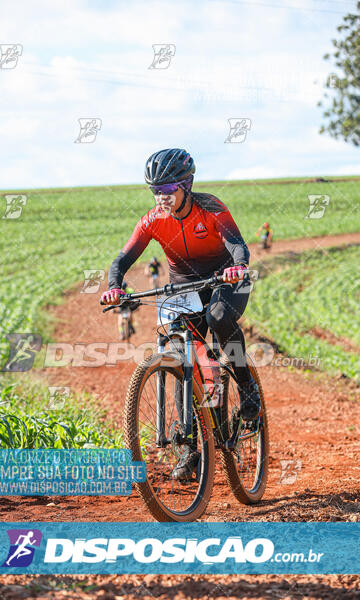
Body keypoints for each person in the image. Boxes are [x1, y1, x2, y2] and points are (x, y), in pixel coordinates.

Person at [100, 148, 260, 480]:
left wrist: (238, 267)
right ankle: (190, 448)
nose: (161, 197)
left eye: (168, 189)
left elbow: (237, 245)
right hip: (184, 286)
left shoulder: (211, 207)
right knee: (180, 355)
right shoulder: (152, 220)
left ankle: (247, 387)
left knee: (218, 317)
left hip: (225, 277)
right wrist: (115, 285)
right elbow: (122, 259)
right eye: (155, 190)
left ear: (186, 184)